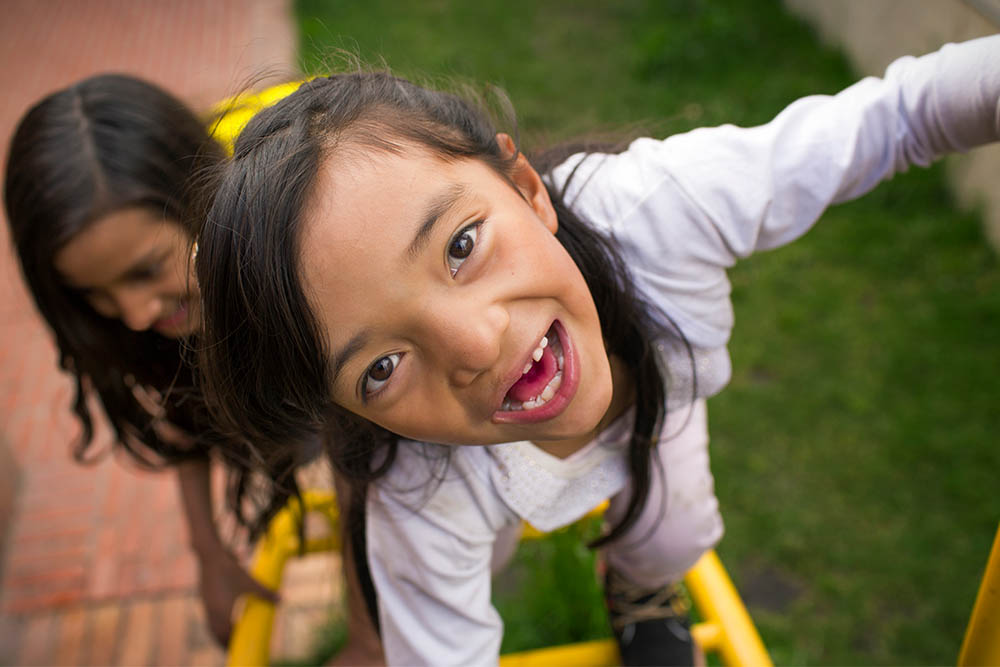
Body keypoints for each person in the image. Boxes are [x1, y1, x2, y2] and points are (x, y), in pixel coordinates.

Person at [192, 36, 1000, 666]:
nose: (475, 344)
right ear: (346, 410)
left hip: (657, 402)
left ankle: (642, 590)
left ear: (526, 188)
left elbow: (897, 117)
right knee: (474, 541)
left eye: (462, 243)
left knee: (676, 533)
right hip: (476, 478)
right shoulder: (419, 484)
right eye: (380, 367)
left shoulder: (660, 209)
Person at [3, 74, 383, 665]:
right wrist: (208, 552)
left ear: (199, 198)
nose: (131, 315)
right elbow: (184, 410)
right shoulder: (161, 311)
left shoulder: (300, 261)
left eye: (146, 270)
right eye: (94, 295)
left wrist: (367, 638)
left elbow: (361, 461)